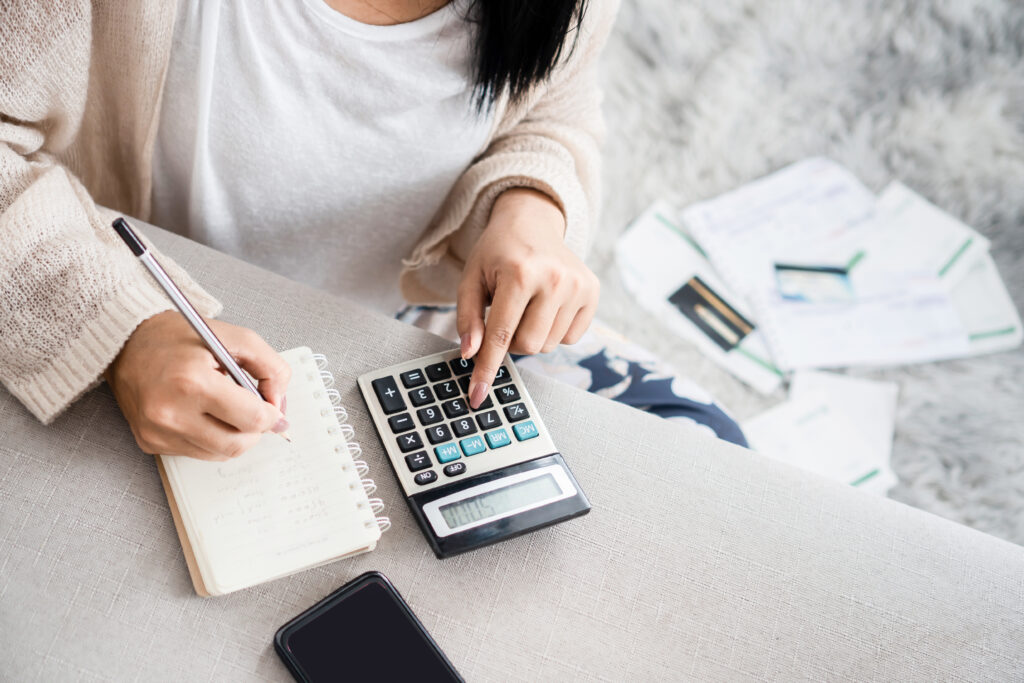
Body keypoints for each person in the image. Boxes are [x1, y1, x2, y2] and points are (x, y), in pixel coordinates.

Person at [1, 0, 743, 460]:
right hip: (145, 315)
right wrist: (125, 332)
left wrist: (530, 208)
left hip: (412, 324)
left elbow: (555, 106)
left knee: (706, 446)